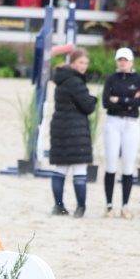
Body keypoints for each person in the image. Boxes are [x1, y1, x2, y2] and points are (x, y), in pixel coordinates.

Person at [48, 49, 97, 216]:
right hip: (76, 129)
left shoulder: (61, 79)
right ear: (73, 63)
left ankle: (58, 206)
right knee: (79, 169)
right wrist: (94, 99)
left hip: (59, 127)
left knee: (60, 168)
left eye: (86, 63)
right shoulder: (75, 81)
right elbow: (88, 106)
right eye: (81, 62)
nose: (84, 66)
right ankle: (80, 208)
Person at [101, 47, 140, 216]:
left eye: (125, 60)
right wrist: (128, 101)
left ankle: (125, 205)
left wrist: (119, 100)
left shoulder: (139, 79)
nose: (122, 63)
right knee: (111, 162)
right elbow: (106, 102)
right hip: (113, 122)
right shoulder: (111, 79)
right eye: (120, 60)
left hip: (131, 123)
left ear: (131, 62)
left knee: (128, 164)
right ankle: (109, 205)